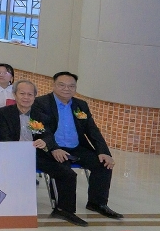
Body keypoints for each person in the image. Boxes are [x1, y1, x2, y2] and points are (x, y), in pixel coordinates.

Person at [29, 72, 121, 220]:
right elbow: (41, 129)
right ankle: (64, 209)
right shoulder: (41, 103)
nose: (67, 89)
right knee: (64, 169)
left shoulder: (80, 105)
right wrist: (53, 148)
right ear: (53, 85)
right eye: (62, 85)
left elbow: (92, 130)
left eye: (71, 86)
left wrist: (103, 151)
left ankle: (97, 203)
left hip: (77, 147)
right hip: (52, 147)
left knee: (103, 165)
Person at [0, 80, 85, 225]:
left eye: (30, 94)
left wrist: (44, 141)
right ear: (15, 95)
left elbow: (48, 134)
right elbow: (5, 138)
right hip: (13, 154)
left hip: (38, 154)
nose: (26, 97)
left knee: (68, 174)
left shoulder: (41, 114)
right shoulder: (3, 113)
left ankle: (64, 210)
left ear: (35, 96)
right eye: (22, 93)